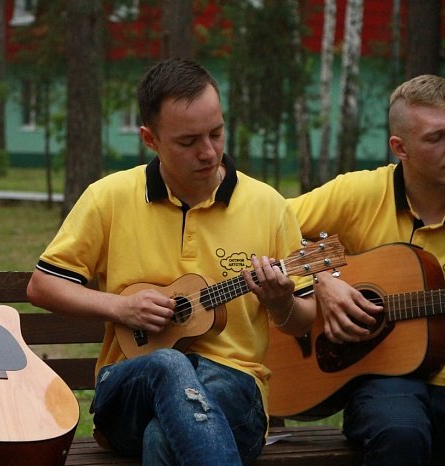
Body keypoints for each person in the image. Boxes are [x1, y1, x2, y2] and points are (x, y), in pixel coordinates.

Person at [26, 58, 316, 465]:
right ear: (150, 138)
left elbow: (302, 319)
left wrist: (280, 300)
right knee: (167, 362)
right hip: (129, 388)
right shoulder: (109, 197)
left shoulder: (269, 207)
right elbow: (42, 285)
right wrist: (121, 307)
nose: (209, 151)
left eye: (217, 133)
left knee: (165, 437)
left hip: (235, 388)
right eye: (188, 141)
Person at [288, 74, 445, 465]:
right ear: (400, 147)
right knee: (399, 434)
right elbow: (264, 224)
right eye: (436, 138)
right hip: (383, 377)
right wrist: (322, 279)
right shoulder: (359, 193)